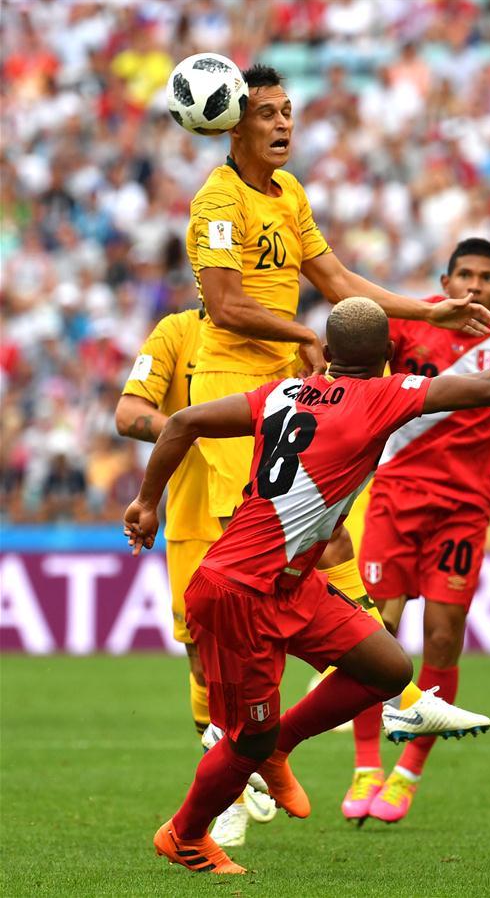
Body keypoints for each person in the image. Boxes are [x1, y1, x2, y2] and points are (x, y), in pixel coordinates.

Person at [123, 297, 490, 876]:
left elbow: (182, 422)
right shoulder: (382, 395)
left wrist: (145, 502)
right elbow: (489, 387)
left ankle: (280, 744)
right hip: (240, 590)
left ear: (327, 354)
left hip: (286, 581)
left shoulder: (281, 392)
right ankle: (184, 835)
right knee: (245, 742)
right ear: (387, 354)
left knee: (387, 669)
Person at [183, 61, 490, 811]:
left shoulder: (289, 194)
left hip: (292, 386)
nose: (284, 124)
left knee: (330, 542)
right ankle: (240, 741)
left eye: (290, 111)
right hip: (233, 383)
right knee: (255, 556)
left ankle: (292, 732)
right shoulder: (217, 203)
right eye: (267, 114)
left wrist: (429, 313)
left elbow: (337, 281)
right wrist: (308, 334)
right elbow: (226, 306)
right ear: (231, 122)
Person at [347, 239, 490, 825]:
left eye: (486, 278)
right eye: (463, 275)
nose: (473, 287)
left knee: (442, 637)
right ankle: (366, 764)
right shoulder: (407, 327)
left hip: (463, 509)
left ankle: (406, 776)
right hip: (394, 497)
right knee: (377, 635)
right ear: (445, 281)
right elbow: (356, 372)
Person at [116, 308, 276, 848]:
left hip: (263, 513)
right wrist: (199, 427)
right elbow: (127, 413)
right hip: (191, 516)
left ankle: (260, 762)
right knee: (202, 659)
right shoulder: (176, 332)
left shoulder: (280, 335)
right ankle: (227, 795)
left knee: (260, 650)